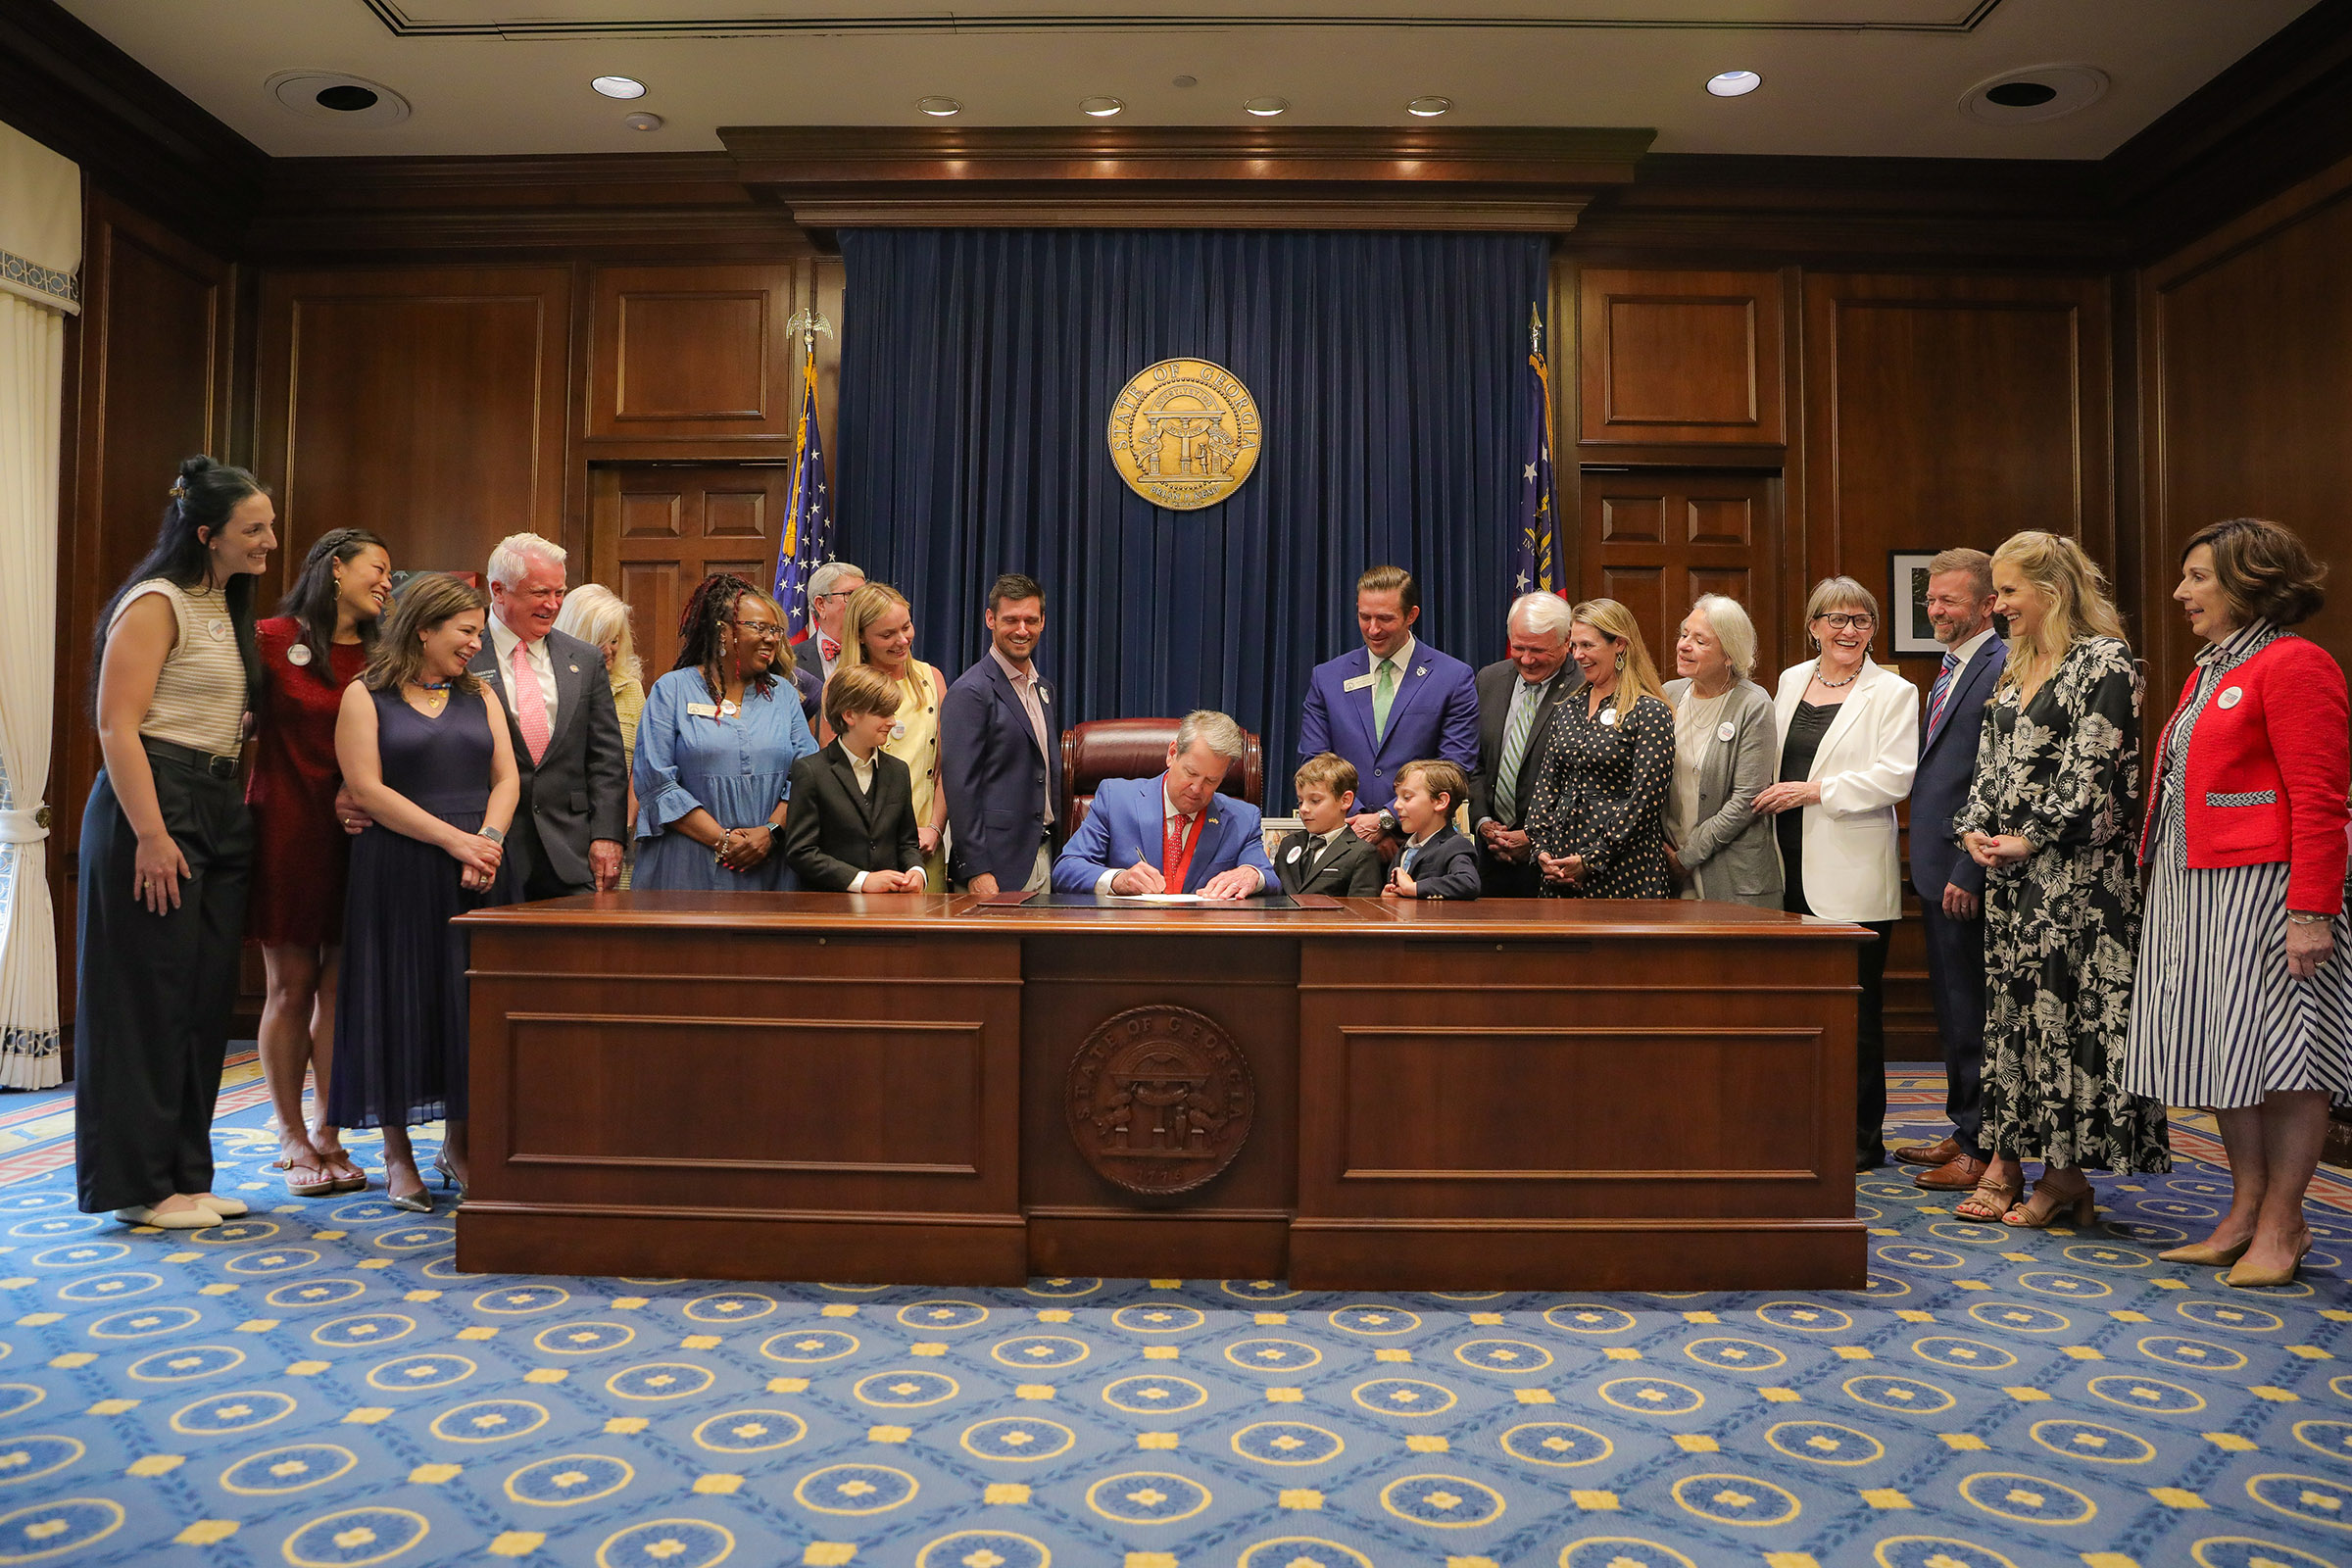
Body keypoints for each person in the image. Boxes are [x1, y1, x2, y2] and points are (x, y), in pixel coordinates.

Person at [2122, 518, 2348, 1286]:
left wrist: (2312, 909)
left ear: (2250, 582)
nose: (2182, 592)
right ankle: (2243, 1210)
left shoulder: (2295, 663)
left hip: (2267, 891)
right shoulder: (2211, 669)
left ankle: (2286, 1221)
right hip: (2196, 888)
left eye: (2197, 578)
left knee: (2285, 1058)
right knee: (2227, 1056)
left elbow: (2321, 799)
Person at [76, 457, 275, 1229]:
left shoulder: (223, 607)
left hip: (219, 802)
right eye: (252, 529)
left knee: (199, 1002)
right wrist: (150, 835)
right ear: (206, 535)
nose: (268, 540)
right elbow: (115, 725)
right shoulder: (156, 601)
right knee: (146, 1003)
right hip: (152, 803)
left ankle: (187, 1176)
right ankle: (138, 1186)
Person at [1952, 532, 2167, 1226]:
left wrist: (2030, 835)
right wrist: (1974, 829)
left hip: (2078, 880)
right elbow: (1989, 762)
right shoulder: (2017, 662)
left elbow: (2094, 768)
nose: (2001, 603)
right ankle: (2006, 1159)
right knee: (2013, 1021)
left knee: (2064, 1021)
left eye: (2011, 590)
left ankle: (2066, 1173)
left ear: (2055, 590)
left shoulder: (2103, 660)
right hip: (2013, 878)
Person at [331, 573, 518, 1212]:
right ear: (424, 629)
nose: (475, 643)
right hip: (399, 867)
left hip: (481, 868)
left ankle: (458, 1147)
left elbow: (507, 777)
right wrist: (455, 842)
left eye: (479, 632)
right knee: (398, 1000)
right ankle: (397, 1158)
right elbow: (367, 790)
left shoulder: (481, 695)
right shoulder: (366, 695)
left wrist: (487, 838)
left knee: (470, 1008)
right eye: (466, 632)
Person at [1756, 577, 1919, 1172]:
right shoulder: (1791, 681)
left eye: (1861, 621)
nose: (1848, 631)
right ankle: (1800, 1126)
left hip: (1852, 872)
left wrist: (1816, 791)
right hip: (1785, 865)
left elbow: (1894, 777)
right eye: (1836, 619)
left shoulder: (1894, 692)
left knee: (1855, 1012)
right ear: (1814, 625)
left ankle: (1859, 1140)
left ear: (1874, 629)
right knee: (1796, 1006)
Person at [248, 527, 391, 1198]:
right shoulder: (271, 638)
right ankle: (290, 1135)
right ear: (335, 569)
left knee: (339, 991)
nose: (387, 583)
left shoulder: (384, 652)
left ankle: (329, 1131)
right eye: (378, 569)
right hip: (287, 830)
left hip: (362, 835)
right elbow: (236, 722)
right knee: (289, 987)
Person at [1891, 549, 2008, 1194]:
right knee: (1954, 1008)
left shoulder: (2000, 665)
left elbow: (1993, 778)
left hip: (1969, 870)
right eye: (1931, 600)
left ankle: (1982, 1147)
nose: (1936, 610)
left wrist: (1969, 863)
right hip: (1937, 865)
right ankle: (1964, 1128)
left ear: (1987, 605)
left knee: (1974, 1010)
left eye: (1950, 602)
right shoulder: (1951, 667)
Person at [632, 574, 819, 891]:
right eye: (758, 627)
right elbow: (656, 782)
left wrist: (771, 831)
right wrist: (723, 840)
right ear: (723, 631)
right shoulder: (672, 690)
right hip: (687, 865)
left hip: (770, 866)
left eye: (775, 630)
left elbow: (808, 776)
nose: (772, 639)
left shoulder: (784, 695)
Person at [467, 533, 625, 899]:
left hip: (571, 854)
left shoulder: (583, 659)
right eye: (540, 593)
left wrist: (607, 835)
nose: (553, 605)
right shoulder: (465, 654)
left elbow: (606, 760)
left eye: (560, 593)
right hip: (487, 850)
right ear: (498, 590)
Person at [1298, 564, 1480, 836]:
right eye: (1364, 617)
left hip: (1418, 843)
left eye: (1384, 618)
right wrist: (1360, 822)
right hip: (1346, 837)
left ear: (1411, 615)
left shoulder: (1452, 677)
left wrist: (1386, 819)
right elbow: (1315, 761)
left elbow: (1454, 767)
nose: (1373, 629)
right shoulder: (1327, 678)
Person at [1522, 598, 1675, 900]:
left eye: (1588, 646)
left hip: (1624, 868)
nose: (1578, 655)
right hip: (1559, 869)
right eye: (1574, 646)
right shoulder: (1567, 709)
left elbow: (1645, 800)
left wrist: (1592, 859)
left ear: (1619, 644)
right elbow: (1546, 787)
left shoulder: (1649, 712)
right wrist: (1541, 848)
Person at [1054, 710, 1277, 899]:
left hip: (1205, 941)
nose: (1197, 788)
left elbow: (1268, 878)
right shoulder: (1116, 799)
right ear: (1172, 754)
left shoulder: (1243, 818)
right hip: (1127, 939)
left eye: (1211, 780)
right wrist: (1118, 880)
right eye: (1191, 773)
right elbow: (1066, 869)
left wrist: (1251, 874)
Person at [943, 574, 1064, 896]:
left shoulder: (1044, 689)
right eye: (1011, 620)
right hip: (995, 870)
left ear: (1043, 622)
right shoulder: (970, 691)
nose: (1022, 630)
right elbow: (960, 788)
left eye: (1030, 620)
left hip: (1045, 857)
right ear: (990, 619)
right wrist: (977, 870)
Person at [1660, 594, 1782, 908]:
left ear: (1729, 654)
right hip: (1668, 872)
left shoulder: (1753, 704)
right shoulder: (1668, 695)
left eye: (1700, 640)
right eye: (1684, 634)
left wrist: (1686, 857)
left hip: (1735, 876)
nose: (1684, 645)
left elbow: (1746, 800)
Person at [828, 582, 950, 890]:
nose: (902, 640)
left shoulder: (931, 679)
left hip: (921, 850)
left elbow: (944, 769)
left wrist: (935, 827)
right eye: (886, 635)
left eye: (906, 627)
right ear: (860, 637)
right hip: (859, 855)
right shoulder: (840, 686)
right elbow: (831, 776)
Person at [1469, 592, 1579, 896]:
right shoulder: (1488, 679)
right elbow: (1473, 762)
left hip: (1554, 860)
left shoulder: (1585, 686)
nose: (1527, 660)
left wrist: (1535, 836)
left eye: (1538, 650)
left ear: (1566, 641)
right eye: (1518, 648)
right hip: (1488, 857)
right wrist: (1483, 822)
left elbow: (1583, 781)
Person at [783, 664, 928, 893]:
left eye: (893, 713)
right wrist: (861, 880)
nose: (892, 722)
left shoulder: (898, 771)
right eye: (882, 713)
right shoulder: (811, 771)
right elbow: (801, 851)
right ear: (849, 714)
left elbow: (907, 843)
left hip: (889, 908)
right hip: (831, 908)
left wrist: (916, 871)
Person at [553, 584, 646, 888]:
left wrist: (622, 826)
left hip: (620, 839)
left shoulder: (631, 689)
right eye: (596, 642)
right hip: (563, 840)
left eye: (615, 640)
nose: (607, 651)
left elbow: (641, 765)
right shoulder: (550, 686)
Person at [1274, 754, 1386, 896]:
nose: (1303, 809)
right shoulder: (1288, 844)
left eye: (1315, 800)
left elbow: (1362, 912)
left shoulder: (1362, 854)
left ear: (1345, 800)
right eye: (1300, 801)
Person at [1384, 760, 1481, 901]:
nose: (1397, 805)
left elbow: (1468, 882)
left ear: (1440, 801)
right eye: (1397, 797)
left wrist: (1414, 888)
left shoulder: (1455, 845)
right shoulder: (1405, 848)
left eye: (1407, 797)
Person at [791, 560, 867, 723]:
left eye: (865, 596)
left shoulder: (877, 653)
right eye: (851, 595)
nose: (863, 604)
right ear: (821, 604)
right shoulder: (790, 661)